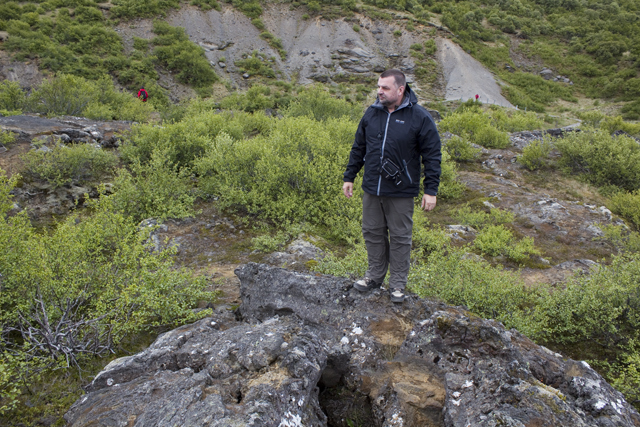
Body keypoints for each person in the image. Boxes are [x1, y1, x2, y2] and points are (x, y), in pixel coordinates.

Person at [342, 69, 441, 303]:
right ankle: (375, 276)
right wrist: (350, 176)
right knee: (372, 232)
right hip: (372, 189)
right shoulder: (372, 113)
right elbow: (359, 147)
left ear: (400, 89)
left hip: (401, 191)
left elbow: (432, 155)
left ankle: (397, 284)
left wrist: (431, 190)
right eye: (378, 87)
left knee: (400, 237)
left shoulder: (419, 117)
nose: (379, 92)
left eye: (385, 88)